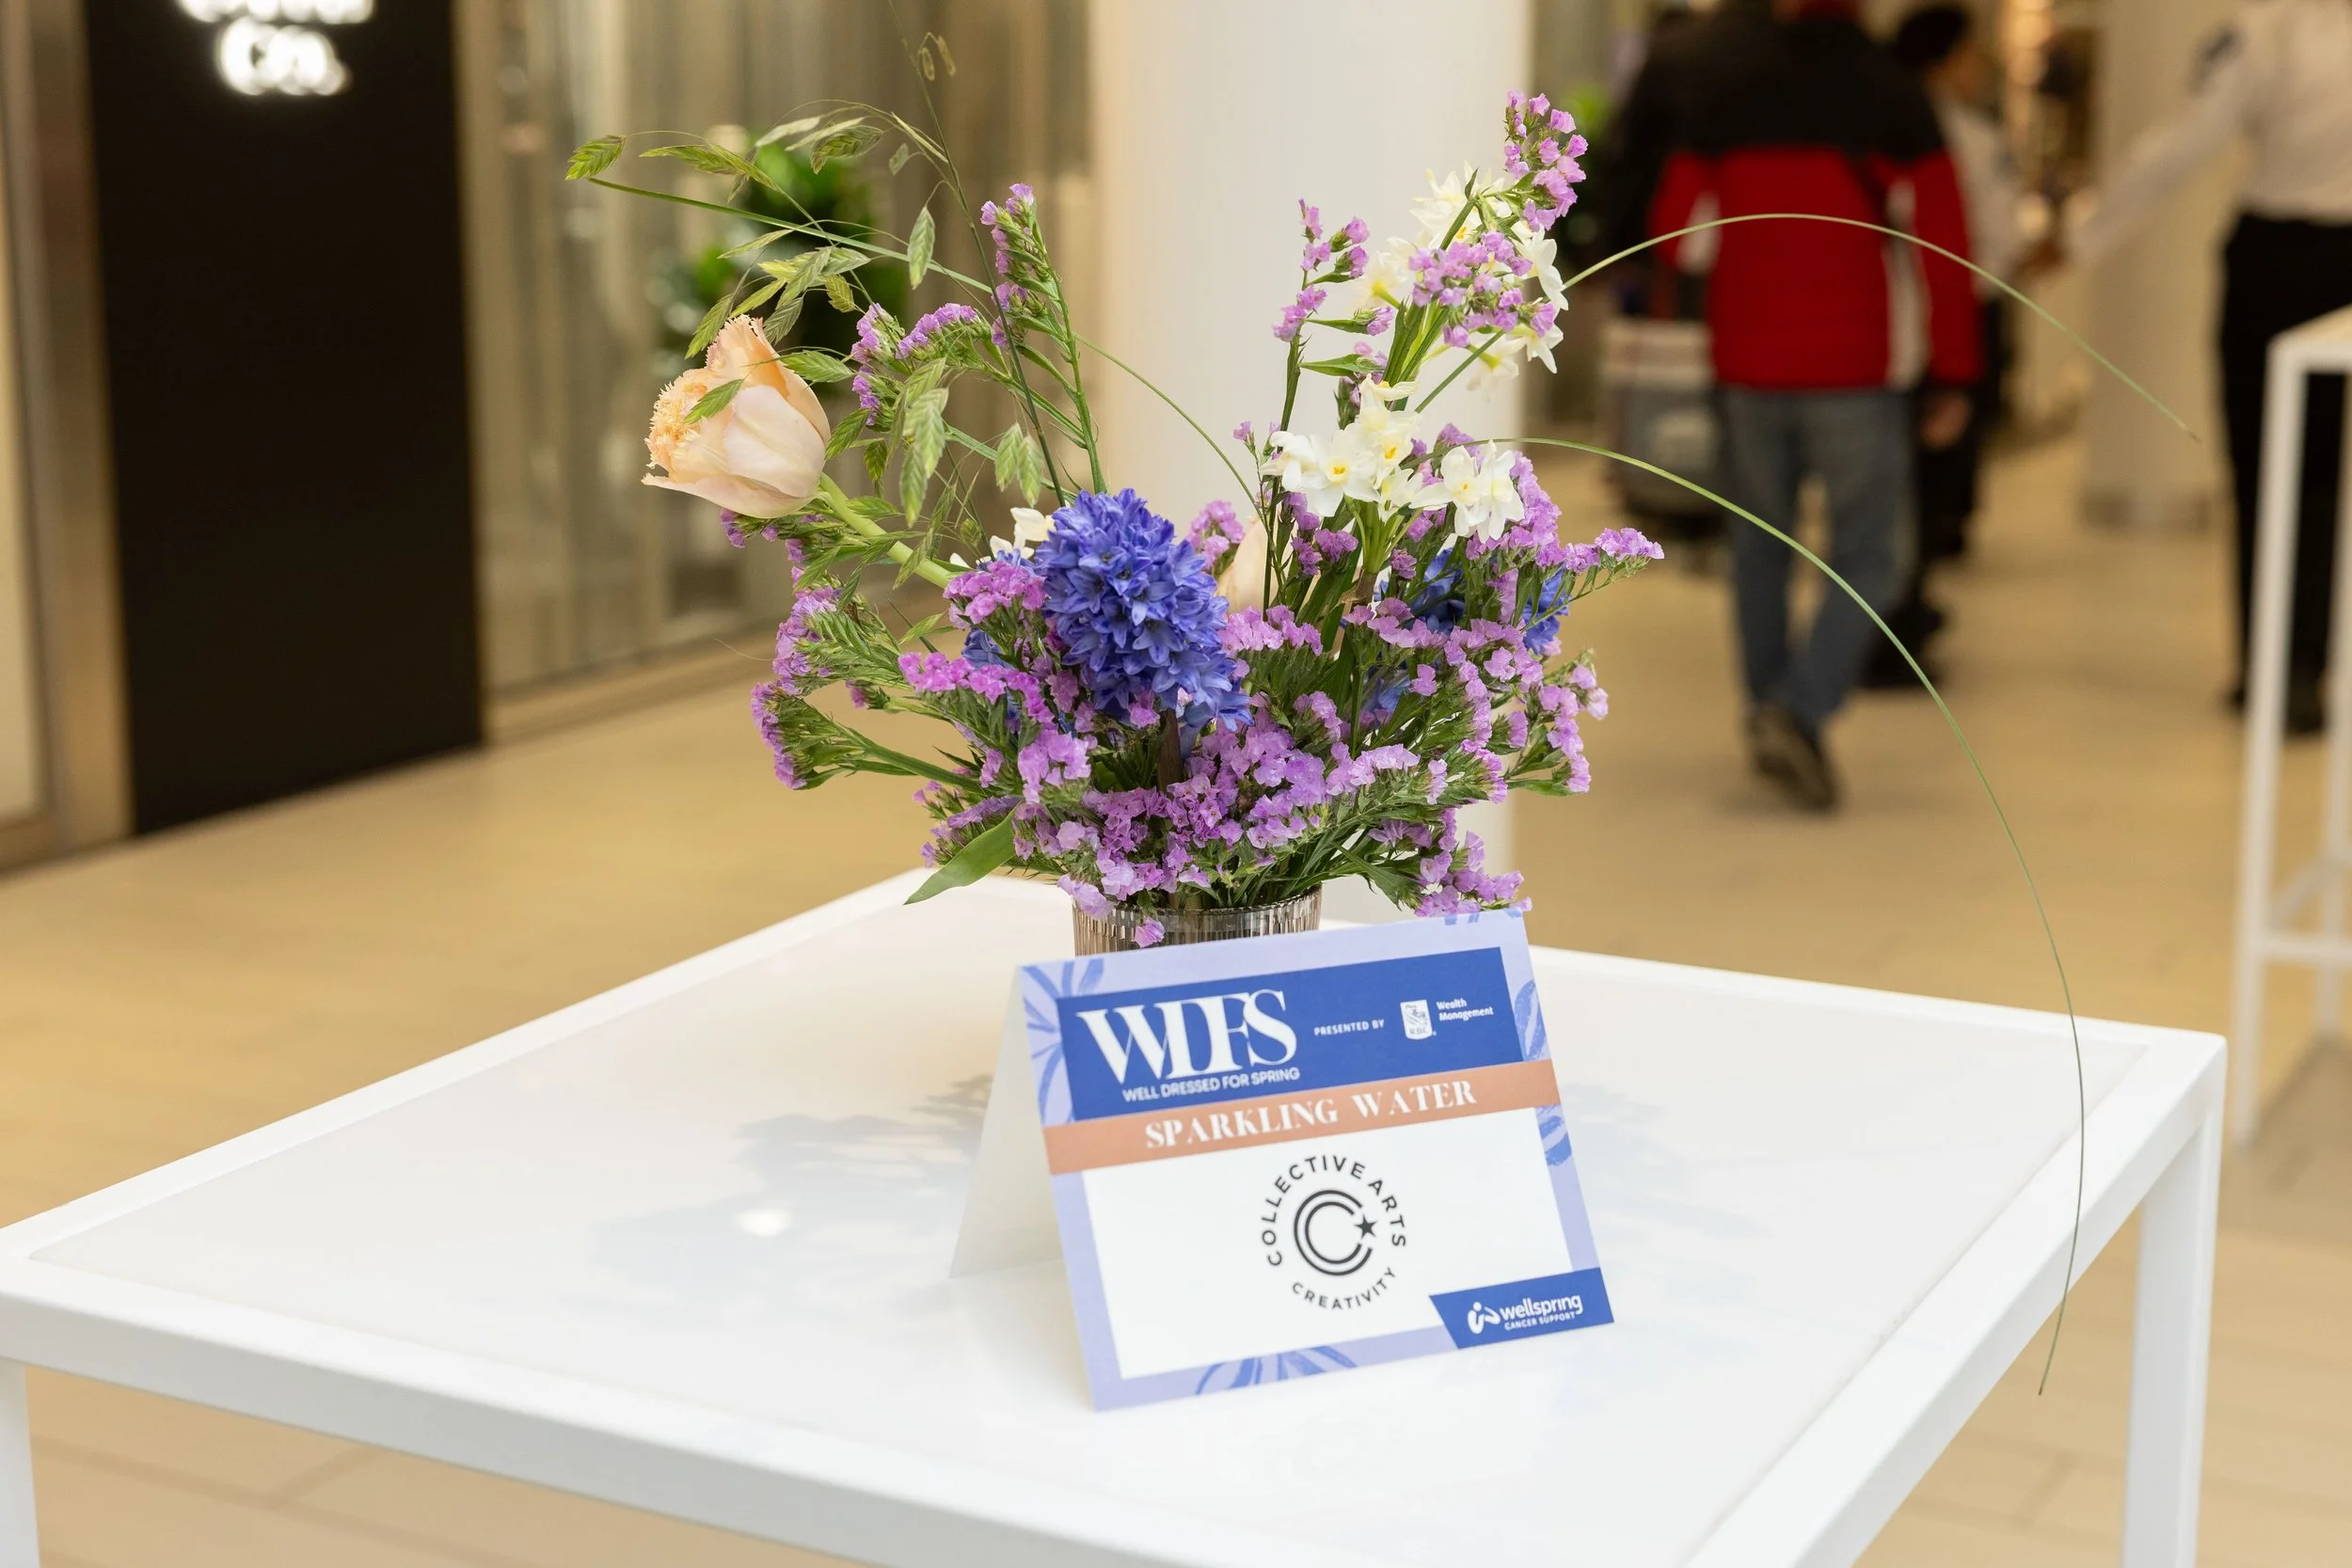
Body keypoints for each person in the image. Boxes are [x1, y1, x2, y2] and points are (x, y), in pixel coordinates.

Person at [1649, 0, 1979, 811]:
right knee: (1875, 552)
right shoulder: (1894, 92)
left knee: (1760, 547)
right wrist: (1955, 371)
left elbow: (1669, 232)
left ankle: (1771, 712)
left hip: (1745, 359)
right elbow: (1945, 243)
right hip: (1850, 368)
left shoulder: (1724, 90)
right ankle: (1798, 709)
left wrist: (1689, 309)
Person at [2065, 0, 2352, 736]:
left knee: (2267, 466)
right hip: (2330, 259)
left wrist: (2084, 237)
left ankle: (2274, 666)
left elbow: (2179, 148)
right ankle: (2304, 667)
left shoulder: (2267, 32)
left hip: (2279, 261)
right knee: (2317, 476)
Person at [1864, 3, 2026, 690]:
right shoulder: (1938, 131)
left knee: (1905, 481)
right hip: (1941, 317)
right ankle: (1894, 621)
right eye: (1970, 54)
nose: (1979, 68)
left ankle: (1897, 611)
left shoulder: (1883, 122)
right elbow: (1977, 237)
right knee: (1922, 479)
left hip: (1914, 322)